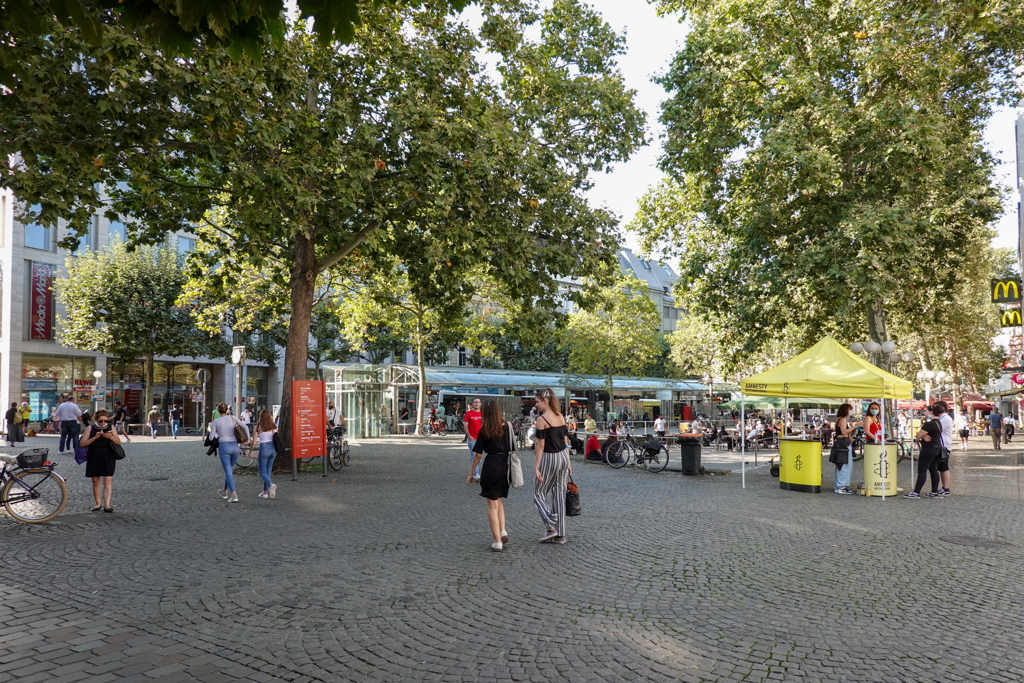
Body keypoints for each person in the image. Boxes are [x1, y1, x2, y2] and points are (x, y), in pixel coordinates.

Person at [467, 400, 516, 551]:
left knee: (492, 505)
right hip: (505, 467)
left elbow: (478, 455)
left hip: (491, 466)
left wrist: (471, 473)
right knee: (499, 500)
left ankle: (497, 541)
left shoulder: (484, 429)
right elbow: (513, 450)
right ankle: (502, 531)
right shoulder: (507, 426)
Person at [533, 388, 571, 545]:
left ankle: (551, 526)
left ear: (545, 401)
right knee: (559, 494)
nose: (536, 405)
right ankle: (560, 535)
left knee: (538, 494)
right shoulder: (560, 416)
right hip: (563, 456)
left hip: (550, 457)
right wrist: (568, 462)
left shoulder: (542, 419)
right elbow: (565, 441)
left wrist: (536, 467)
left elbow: (540, 445)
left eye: (537, 401)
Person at [79, 409, 121, 513]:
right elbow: (82, 444)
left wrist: (110, 437)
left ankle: (107, 504)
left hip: (108, 454)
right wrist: (94, 437)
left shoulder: (111, 428)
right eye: (100, 421)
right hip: (94, 454)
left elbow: (118, 442)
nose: (103, 423)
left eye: (105, 421)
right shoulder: (90, 428)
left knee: (107, 480)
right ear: (96, 420)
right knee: (95, 481)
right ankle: (98, 504)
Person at [208, 403, 250, 503]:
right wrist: (248, 439)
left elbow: (210, 437)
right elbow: (246, 427)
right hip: (235, 446)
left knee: (228, 471)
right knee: (229, 470)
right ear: (227, 410)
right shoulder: (233, 418)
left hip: (224, 446)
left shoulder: (216, 421)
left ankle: (234, 494)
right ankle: (224, 491)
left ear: (218, 411)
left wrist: (216, 432)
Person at [905, 403, 945, 499]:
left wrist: (921, 435)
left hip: (928, 449)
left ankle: (916, 492)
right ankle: (934, 491)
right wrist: (923, 435)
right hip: (936, 448)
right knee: (933, 470)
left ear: (931, 412)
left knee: (922, 470)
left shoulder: (929, 423)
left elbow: (917, 435)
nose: (925, 413)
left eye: (926, 411)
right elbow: (923, 434)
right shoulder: (938, 422)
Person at [251, 409, 279, 499]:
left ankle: (271, 484)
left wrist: (250, 451)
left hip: (264, 448)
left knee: (262, 472)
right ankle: (265, 492)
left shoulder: (258, 427)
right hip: (273, 448)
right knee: (268, 471)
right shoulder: (273, 426)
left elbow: (254, 442)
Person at [830, 403, 856, 494]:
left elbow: (842, 432)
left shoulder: (839, 419)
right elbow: (844, 431)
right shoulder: (842, 419)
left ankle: (839, 485)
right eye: (849, 410)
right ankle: (841, 486)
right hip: (843, 444)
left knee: (841, 465)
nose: (849, 412)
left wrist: (849, 437)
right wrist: (855, 426)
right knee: (844, 465)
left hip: (841, 443)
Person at [935, 401, 954, 496]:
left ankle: (946, 488)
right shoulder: (941, 418)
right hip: (941, 446)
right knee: (941, 468)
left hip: (944, 447)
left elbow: (936, 429)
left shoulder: (946, 419)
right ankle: (943, 487)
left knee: (943, 467)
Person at [464, 397, 483, 480]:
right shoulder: (468, 414)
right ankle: (476, 473)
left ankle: (475, 472)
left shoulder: (483, 414)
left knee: (479, 456)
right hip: (472, 439)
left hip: (481, 439)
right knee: (474, 456)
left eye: (478, 402)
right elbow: (465, 425)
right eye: (475, 402)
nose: (476, 404)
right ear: (473, 404)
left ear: (480, 404)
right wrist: (469, 436)